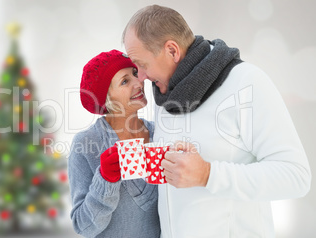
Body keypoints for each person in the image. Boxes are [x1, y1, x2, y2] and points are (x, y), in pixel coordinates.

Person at [122, 5, 311, 238]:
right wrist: (123, 162)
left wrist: (208, 174)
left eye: (142, 64)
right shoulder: (166, 96)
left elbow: (296, 176)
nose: (140, 77)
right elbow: (174, 180)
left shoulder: (247, 83)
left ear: (172, 51)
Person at [68, 49, 161, 237]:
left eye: (135, 73)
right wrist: (105, 179)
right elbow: (84, 227)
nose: (138, 82)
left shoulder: (159, 133)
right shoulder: (85, 144)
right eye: (125, 81)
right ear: (107, 99)